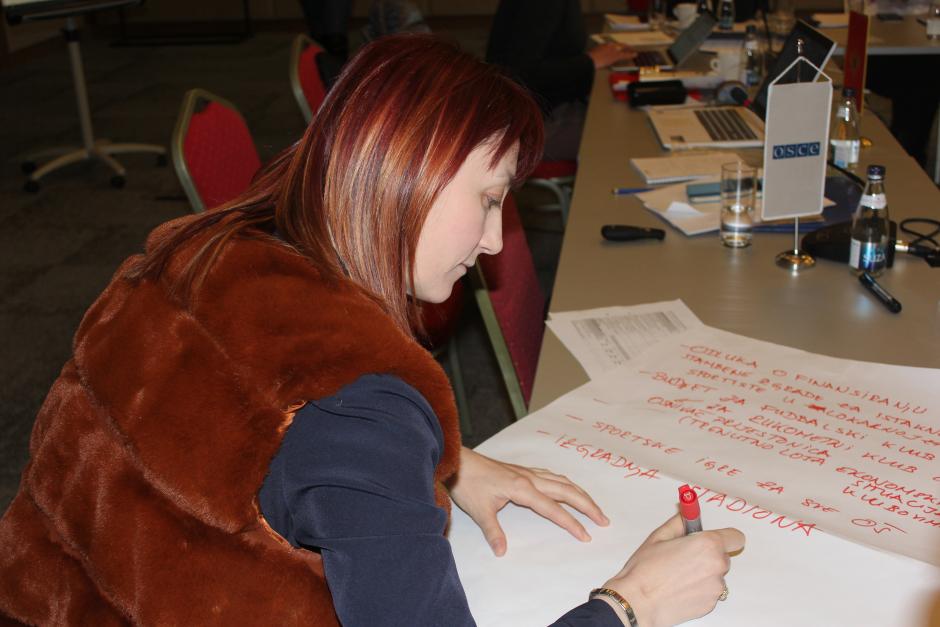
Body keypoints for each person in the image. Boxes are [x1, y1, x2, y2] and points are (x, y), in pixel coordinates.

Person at [0, 35, 743, 626]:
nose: (494, 240)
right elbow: (336, 428)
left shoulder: (199, 251)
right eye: (488, 199)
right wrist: (632, 602)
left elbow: (229, 421)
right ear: (402, 176)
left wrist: (447, 464)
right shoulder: (363, 409)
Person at [486, 0, 637, 161]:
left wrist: (597, 59)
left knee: (626, 116)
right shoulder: (542, 4)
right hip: (528, 127)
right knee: (627, 137)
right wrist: (590, 61)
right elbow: (520, 74)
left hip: (547, 109)